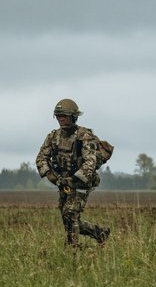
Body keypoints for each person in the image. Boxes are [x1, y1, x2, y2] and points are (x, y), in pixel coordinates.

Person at [35, 98, 110, 246]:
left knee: (70, 213)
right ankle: (99, 233)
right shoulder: (53, 137)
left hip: (82, 182)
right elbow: (41, 158)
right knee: (68, 219)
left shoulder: (84, 136)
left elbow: (90, 162)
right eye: (58, 116)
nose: (61, 119)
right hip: (62, 182)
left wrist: (74, 179)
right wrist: (51, 176)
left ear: (73, 116)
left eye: (64, 116)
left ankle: (72, 249)